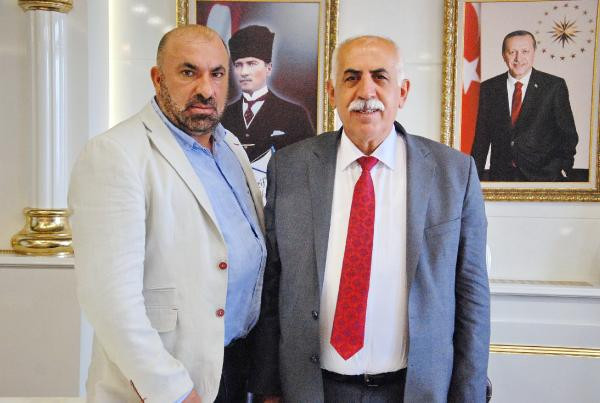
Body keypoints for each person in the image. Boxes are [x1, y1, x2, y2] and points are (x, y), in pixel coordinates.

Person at [249, 35, 490, 402]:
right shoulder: (290, 167)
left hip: (414, 390)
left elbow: (472, 295)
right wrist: (267, 388)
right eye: (351, 77)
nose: (366, 91)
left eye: (380, 76)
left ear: (402, 92)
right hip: (313, 389)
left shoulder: (454, 173)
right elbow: (272, 283)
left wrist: (468, 395)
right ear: (332, 92)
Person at [69, 25, 266, 403]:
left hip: (235, 367)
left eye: (217, 74)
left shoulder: (231, 149)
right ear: (158, 78)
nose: (205, 89)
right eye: (189, 72)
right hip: (168, 380)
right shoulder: (115, 154)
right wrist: (173, 391)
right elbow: (109, 301)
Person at [471, 30, 579, 181]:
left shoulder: (554, 86)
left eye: (525, 51)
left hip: (544, 178)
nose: (518, 58)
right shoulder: (488, 89)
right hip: (501, 178)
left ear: (534, 52)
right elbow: (481, 140)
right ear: (504, 55)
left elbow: (568, 135)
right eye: (512, 52)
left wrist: (561, 168)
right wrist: (473, 179)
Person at [221, 25, 314, 163]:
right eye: (238, 65)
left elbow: (308, 163)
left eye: (251, 64)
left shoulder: (294, 114)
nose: (244, 72)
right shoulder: (223, 116)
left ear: (268, 68)